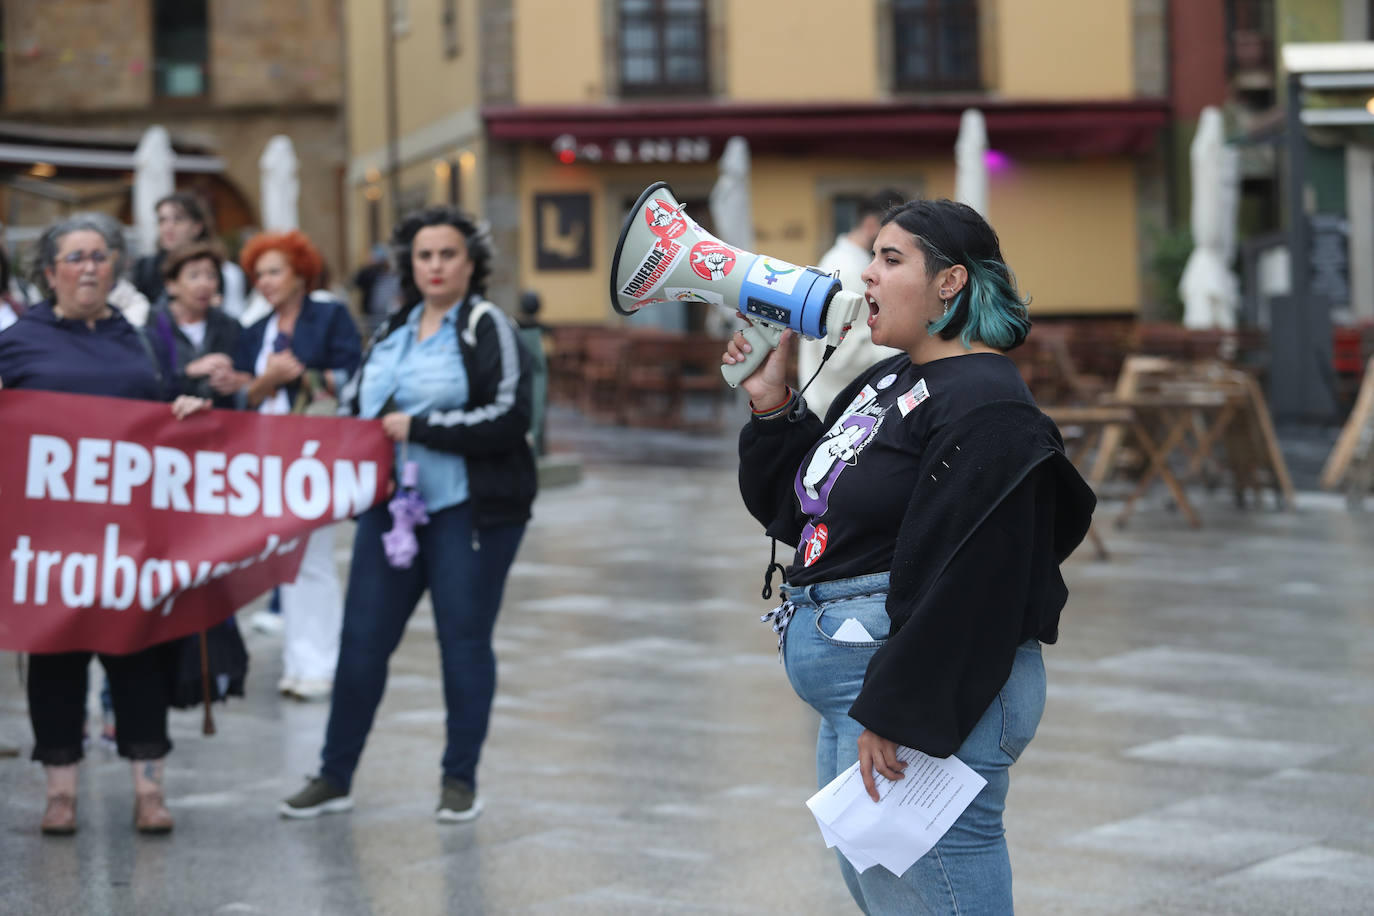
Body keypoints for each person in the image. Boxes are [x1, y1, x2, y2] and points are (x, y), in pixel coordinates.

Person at [726, 198, 1096, 914]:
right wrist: (773, 407)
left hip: (916, 700)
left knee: (936, 896)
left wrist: (901, 708)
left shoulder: (986, 401)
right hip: (865, 699)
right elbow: (801, 513)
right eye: (873, 257)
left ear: (950, 282)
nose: (866, 275)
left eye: (891, 259)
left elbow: (979, 571)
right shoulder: (890, 379)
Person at [279, 205, 535, 823]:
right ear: (408, 264)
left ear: (470, 263)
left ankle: (459, 781)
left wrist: (421, 427)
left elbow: (512, 416)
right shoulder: (393, 326)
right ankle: (334, 776)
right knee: (361, 644)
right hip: (392, 512)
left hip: (467, 511)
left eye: (448, 254)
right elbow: (354, 404)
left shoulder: (485, 325)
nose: (436, 266)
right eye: (424, 255)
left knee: (463, 644)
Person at [0, 213, 212, 836]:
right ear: (48, 272)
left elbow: (168, 400)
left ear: (115, 266)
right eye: (75, 257)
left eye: (99, 255)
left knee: (138, 654)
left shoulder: (143, 337)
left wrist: (187, 406)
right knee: (56, 659)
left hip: (130, 533)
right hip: (51, 539)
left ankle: (149, 790)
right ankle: (60, 791)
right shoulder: (18, 341)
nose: (89, 267)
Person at [228, 229, 361, 701]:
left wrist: (301, 376)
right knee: (286, 562)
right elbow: (244, 393)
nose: (265, 282)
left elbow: (354, 378)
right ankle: (297, 660)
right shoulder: (253, 331)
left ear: (300, 273)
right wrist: (266, 380)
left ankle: (320, 663)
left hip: (314, 456)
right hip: (265, 459)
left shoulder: (329, 316)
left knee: (314, 559)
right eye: (258, 274)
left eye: (274, 271)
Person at [796, 189, 908, 418]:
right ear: (870, 224)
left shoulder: (843, 260)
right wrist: (907, 348)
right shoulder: (850, 269)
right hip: (836, 404)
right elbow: (842, 356)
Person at [145, 242, 243, 408]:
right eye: (194, 276)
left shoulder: (229, 325)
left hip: (220, 422)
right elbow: (149, 379)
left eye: (211, 276)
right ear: (171, 285)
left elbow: (249, 374)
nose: (204, 284)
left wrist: (235, 380)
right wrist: (190, 370)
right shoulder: (155, 323)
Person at [132, 191, 249, 321]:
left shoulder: (227, 271)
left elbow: (234, 318)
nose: (168, 227)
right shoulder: (145, 267)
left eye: (178, 219)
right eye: (162, 220)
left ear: (197, 227)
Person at [515, 289, 549, 455]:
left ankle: (535, 447)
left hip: (527, 373)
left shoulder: (515, 328)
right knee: (537, 406)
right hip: (534, 374)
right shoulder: (540, 330)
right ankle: (535, 448)